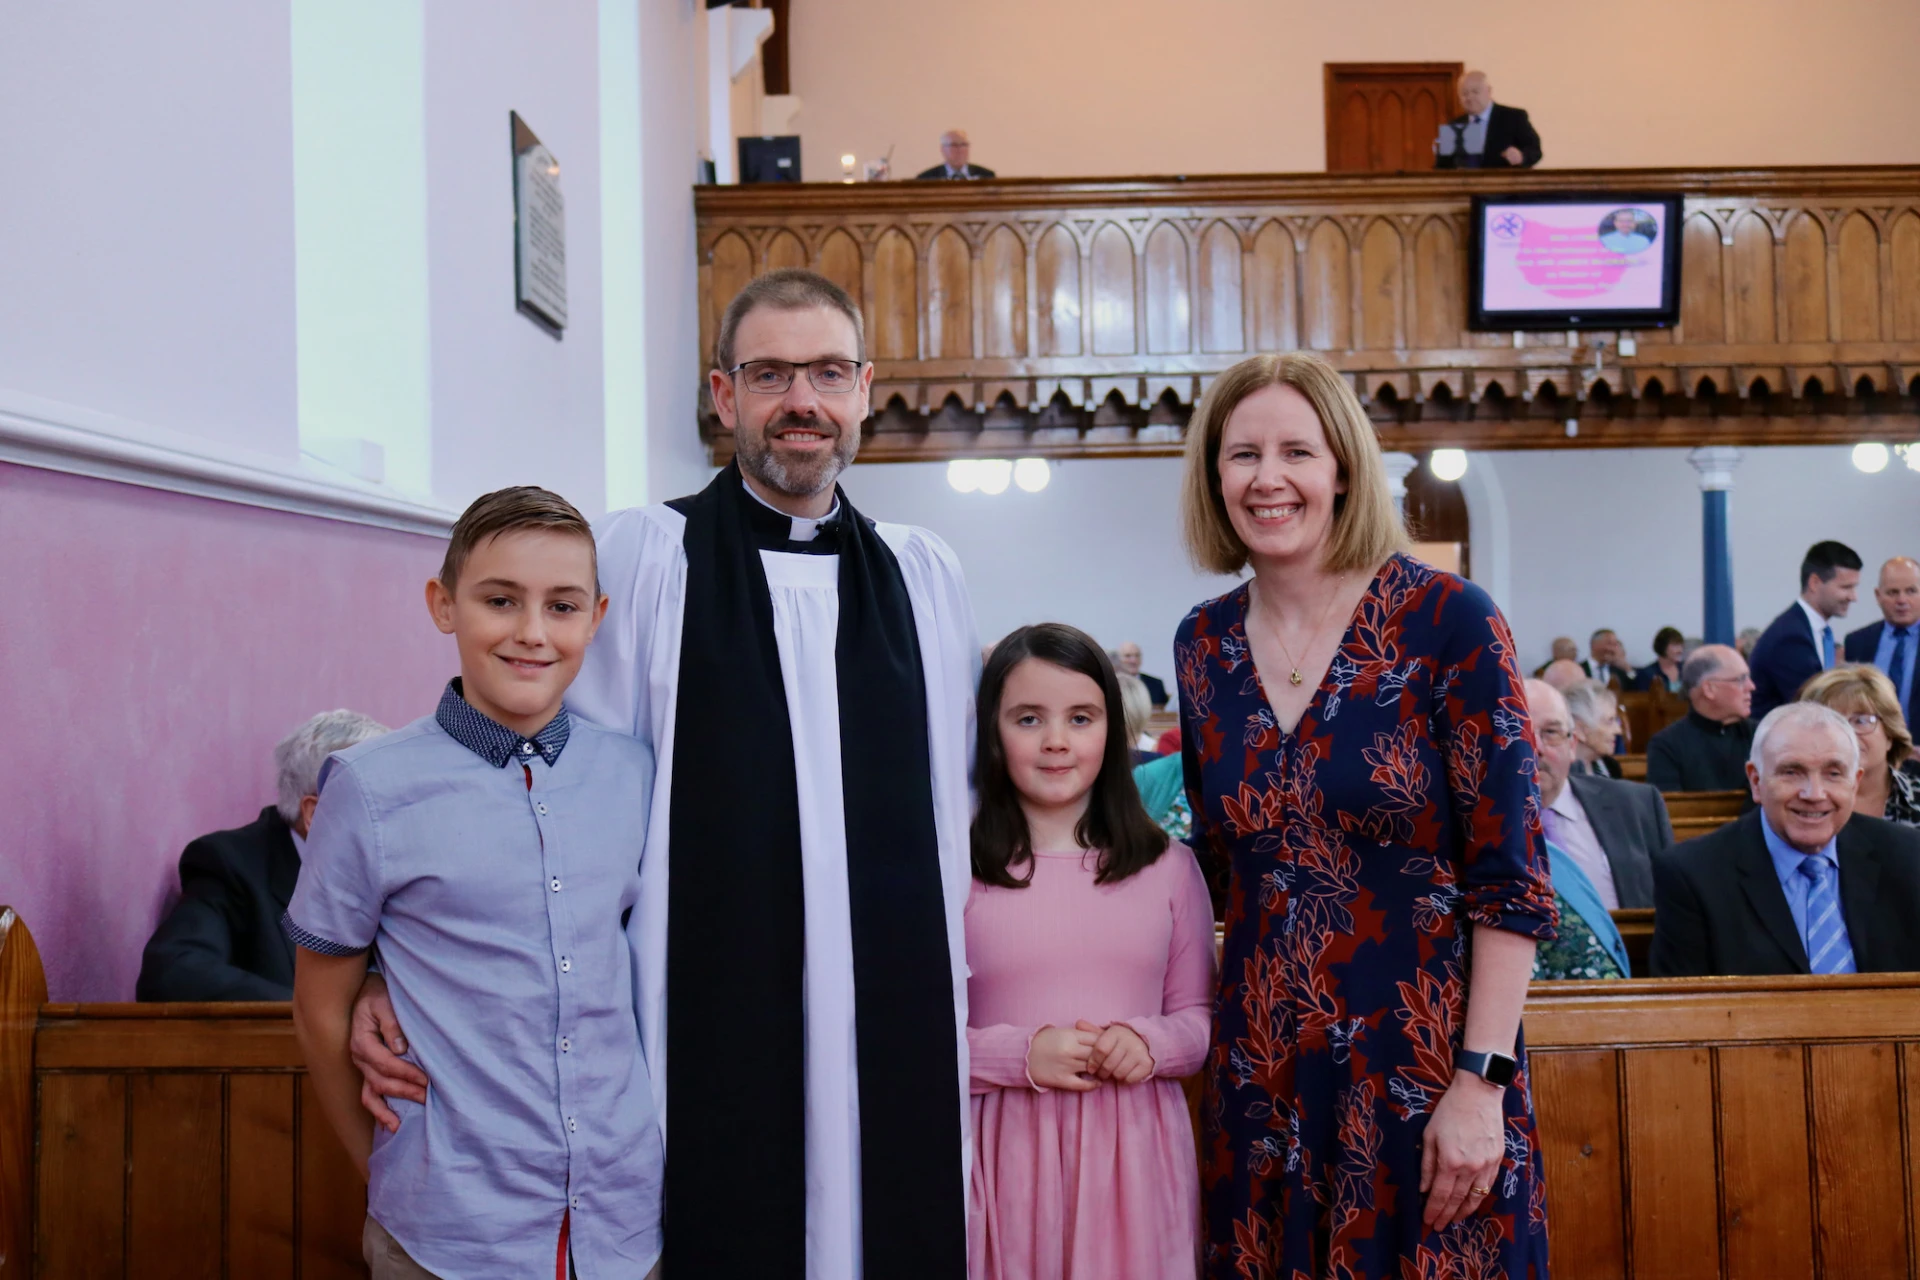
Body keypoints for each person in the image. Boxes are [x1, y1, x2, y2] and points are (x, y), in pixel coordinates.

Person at [347, 269, 977, 1279]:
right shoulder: (652, 556)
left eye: (825, 372)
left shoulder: (922, 574)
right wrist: (394, 961)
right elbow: (548, 789)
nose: (801, 400)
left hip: (892, 1032)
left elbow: (968, 806)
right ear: (725, 395)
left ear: (865, 389)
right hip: (689, 1023)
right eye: (770, 373)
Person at [1176, 351, 1553, 1277]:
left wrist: (1481, 1084)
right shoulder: (1204, 643)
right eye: (1242, 455)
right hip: (1264, 1080)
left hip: (1425, 1072)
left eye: (1296, 451)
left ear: (1343, 467)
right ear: (1212, 477)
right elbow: (1219, 874)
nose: (1268, 479)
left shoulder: (1448, 619)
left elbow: (1511, 884)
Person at [287, 487, 664, 1278]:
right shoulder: (368, 787)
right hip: (447, 1232)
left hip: (623, 1223)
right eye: (500, 600)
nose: (532, 632)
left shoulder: (636, 774)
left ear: (595, 619)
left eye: (561, 607)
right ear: (444, 604)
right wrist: (392, 1175)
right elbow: (321, 1007)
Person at [966, 623, 1214, 1280]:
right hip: (1004, 1156)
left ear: (1111, 726)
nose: (1056, 740)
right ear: (992, 730)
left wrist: (1150, 1043)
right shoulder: (952, 870)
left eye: (1080, 717)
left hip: (1136, 1157)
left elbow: (1198, 1017)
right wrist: (1021, 1054)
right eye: (1028, 718)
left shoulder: (1168, 868)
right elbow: (909, 1042)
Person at [1650, 702, 1920, 977]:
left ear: (1855, 782)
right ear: (1756, 781)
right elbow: (1684, 1011)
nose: (1814, 793)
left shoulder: (1908, 856)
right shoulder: (1693, 874)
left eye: (1833, 774)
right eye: (1792, 772)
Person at [135, 710, 387, 1002]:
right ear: (317, 815)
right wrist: (319, 1021)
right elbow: (173, 973)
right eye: (382, 803)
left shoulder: (406, 874)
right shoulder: (233, 865)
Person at [1528, 680, 1672, 911]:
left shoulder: (1638, 805)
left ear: (1572, 744)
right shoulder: (1468, 821)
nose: (1536, 747)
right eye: (1519, 731)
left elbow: (1671, 902)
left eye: (1551, 732)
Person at [1748, 540, 1863, 720]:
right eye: (1846, 587)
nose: (1853, 597)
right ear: (1815, 583)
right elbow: (1813, 707)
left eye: (1854, 588)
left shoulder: (1810, 630)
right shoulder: (1790, 637)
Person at [1801, 665, 1920, 826]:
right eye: (1832, 721)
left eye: (1861, 721)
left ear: (1890, 734)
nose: (1847, 733)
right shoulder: (1797, 800)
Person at [1645, 644, 1756, 792]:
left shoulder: (1761, 735)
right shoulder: (1667, 746)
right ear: (1709, 689)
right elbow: (1670, 809)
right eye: (1740, 679)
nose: (1751, 686)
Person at [1843, 556, 1919, 728]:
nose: (1901, 600)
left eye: (1911, 591)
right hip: (1871, 746)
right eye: (1893, 592)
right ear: (1878, 596)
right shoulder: (1857, 642)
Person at [1433, 70, 1541, 169]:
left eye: (1475, 92)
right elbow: (1442, 168)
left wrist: (1521, 156)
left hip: (1504, 186)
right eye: (1464, 94)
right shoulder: (1454, 126)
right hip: (1465, 188)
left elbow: (1535, 150)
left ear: (1488, 91)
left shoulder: (1514, 117)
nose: (1469, 98)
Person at [1563, 678, 1626, 779]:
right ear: (1580, 730)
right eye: (1609, 721)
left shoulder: (1611, 767)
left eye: (1616, 721)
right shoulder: (1561, 776)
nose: (1618, 730)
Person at [916, 129, 995, 180]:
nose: (960, 149)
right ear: (943, 149)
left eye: (964, 145)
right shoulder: (927, 178)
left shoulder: (986, 176)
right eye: (954, 145)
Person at [1114, 639, 1170, 709]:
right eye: (1127, 656)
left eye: (1137, 655)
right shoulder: (1111, 684)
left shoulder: (1157, 684)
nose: (1133, 660)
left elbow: (1165, 713)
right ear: (1118, 659)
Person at [1632, 625, 1686, 693]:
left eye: (1681, 645)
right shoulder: (1647, 674)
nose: (1680, 650)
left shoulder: (1686, 669)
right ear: (1663, 646)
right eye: (1675, 645)